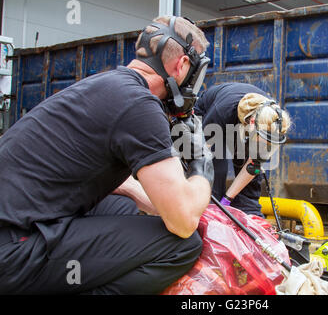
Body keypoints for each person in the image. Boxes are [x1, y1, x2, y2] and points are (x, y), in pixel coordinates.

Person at [0, 16, 213, 294]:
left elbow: (83, 167)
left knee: (130, 209)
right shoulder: (139, 105)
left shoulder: (107, 84)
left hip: (17, 221)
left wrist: (138, 194)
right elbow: (183, 222)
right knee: (182, 245)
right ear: (182, 65)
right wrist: (202, 168)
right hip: (14, 251)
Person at [194, 83, 291, 218]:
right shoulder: (222, 111)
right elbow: (201, 155)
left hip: (243, 123)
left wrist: (227, 199)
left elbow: (252, 167)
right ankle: (209, 214)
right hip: (210, 114)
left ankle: (250, 214)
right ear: (252, 123)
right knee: (216, 168)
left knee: (250, 181)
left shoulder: (274, 121)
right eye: (261, 141)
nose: (264, 146)